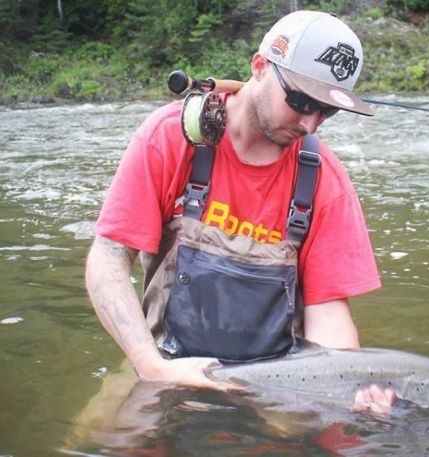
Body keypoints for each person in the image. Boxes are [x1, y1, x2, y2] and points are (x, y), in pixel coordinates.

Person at [85, 10, 395, 412]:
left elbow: (328, 312)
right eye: (300, 100)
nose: (310, 124)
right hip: (163, 366)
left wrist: (348, 385)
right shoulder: (169, 137)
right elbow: (108, 259)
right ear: (260, 66)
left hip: (281, 386)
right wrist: (150, 366)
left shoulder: (325, 180)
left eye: (326, 110)